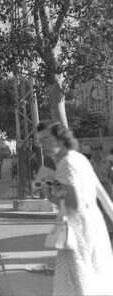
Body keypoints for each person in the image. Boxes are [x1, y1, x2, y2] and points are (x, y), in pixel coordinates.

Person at [37, 121, 113, 296]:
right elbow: (100, 194)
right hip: (94, 225)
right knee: (95, 277)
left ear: (60, 138)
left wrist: (48, 191)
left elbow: (73, 203)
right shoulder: (80, 158)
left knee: (77, 283)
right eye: (40, 141)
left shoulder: (66, 164)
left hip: (76, 231)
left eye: (46, 139)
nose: (43, 145)